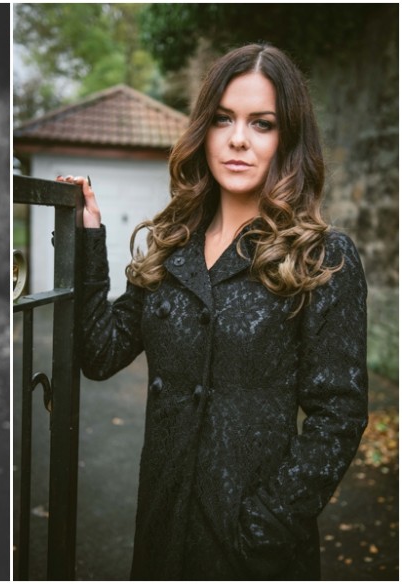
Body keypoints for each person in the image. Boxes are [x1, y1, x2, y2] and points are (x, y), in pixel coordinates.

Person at [58, 44, 367, 580]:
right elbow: (100, 351)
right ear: (204, 130)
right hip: (163, 526)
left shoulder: (321, 256)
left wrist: (269, 523)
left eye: (261, 123)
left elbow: (338, 415)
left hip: (253, 547)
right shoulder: (172, 247)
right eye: (223, 118)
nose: (238, 139)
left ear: (287, 139)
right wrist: (87, 235)